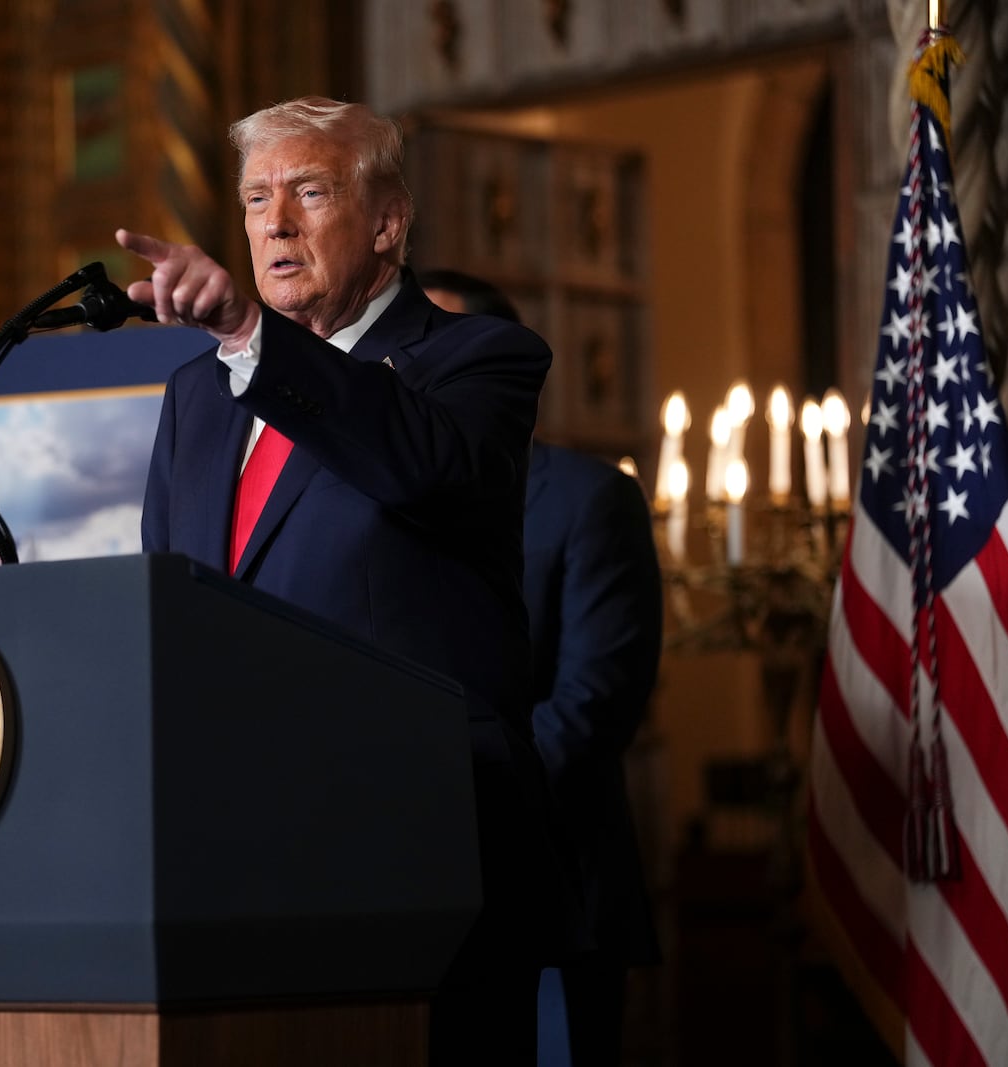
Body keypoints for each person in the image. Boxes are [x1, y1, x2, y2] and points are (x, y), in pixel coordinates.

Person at [117, 96, 585, 1065]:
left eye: (308, 192)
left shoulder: (476, 360)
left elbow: (413, 462)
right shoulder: (194, 397)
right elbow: (172, 601)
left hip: (421, 859)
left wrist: (254, 335)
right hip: (239, 869)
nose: (274, 222)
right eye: (255, 200)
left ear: (386, 222)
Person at [422, 269, 664, 1067]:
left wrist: (449, 803)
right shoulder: (382, 499)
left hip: (552, 883)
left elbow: (595, 702)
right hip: (408, 901)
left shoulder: (590, 499)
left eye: (427, 347)